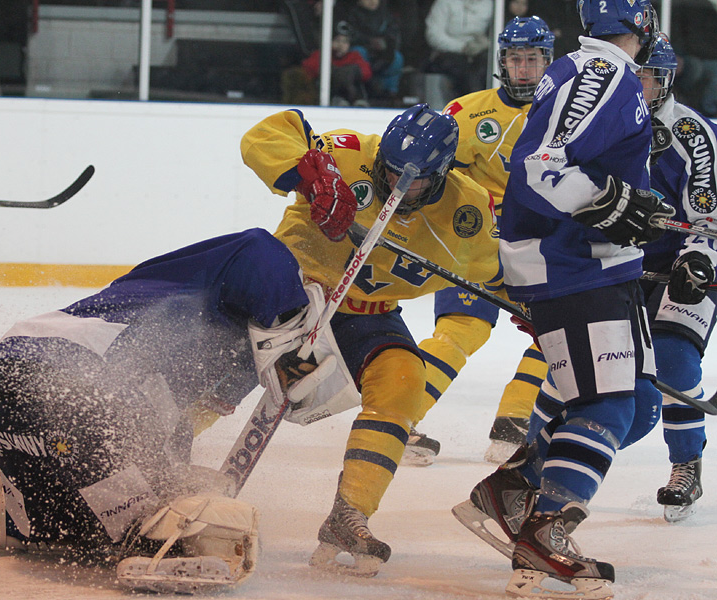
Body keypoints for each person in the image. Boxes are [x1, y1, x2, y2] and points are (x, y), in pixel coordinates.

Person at [0, 228, 353, 592]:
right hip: (72, 374)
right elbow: (259, 248)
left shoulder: (190, 319)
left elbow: (167, 418)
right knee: (154, 525)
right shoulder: (263, 275)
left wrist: (175, 475)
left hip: (19, 372)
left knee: (63, 531)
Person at [451, 1, 673, 598]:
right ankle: (545, 532)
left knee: (641, 405)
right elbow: (541, 166)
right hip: (571, 265)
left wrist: (628, 205)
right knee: (607, 409)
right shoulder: (604, 73)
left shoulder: (599, 72)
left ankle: (512, 489)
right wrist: (609, 203)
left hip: (600, 264)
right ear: (644, 25)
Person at [241, 103, 501, 576]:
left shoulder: (468, 209)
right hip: (291, 292)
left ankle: (349, 513)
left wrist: (541, 308)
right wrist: (313, 177)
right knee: (225, 363)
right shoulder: (349, 152)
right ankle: (156, 465)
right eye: (391, 170)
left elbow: (496, 271)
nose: (399, 184)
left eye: (416, 179)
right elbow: (267, 134)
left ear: (442, 174)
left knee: (404, 377)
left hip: (367, 315)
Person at [405, 16, 555, 466]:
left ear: (547, 61)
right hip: (477, 243)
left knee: (556, 336)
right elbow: (433, 181)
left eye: (532, 59)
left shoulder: (568, 114)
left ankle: (513, 424)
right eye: (515, 59)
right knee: (458, 332)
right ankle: (396, 420)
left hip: (540, 247)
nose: (524, 69)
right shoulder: (466, 112)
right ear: (501, 62)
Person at [638, 34, 712, 522]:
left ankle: (686, 462)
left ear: (666, 80)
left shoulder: (691, 133)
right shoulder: (600, 125)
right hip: (620, 263)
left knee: (674, 358)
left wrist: (697, 260)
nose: (639, 85)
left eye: (647, 76)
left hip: (685, 262)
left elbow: (707, 219)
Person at [424, 0, 494, 98]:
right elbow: (433, 34)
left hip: (480, 51)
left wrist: (487, 44)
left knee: (489, 66)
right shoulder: (444, 3)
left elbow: (498, 33)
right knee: (461, 70)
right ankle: (468, 106)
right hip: (448, 52)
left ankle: (483, 105)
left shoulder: (491, 4)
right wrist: (462, 47)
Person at [337, 0, 405, 101]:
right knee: (358, 53)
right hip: (364, 50)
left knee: (397, 58)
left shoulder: (386, 15)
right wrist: (369, 42)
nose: (372, 1)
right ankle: (360, 93)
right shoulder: (351, 15)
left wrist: (385, 44)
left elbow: (394, 36)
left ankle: (390, 93)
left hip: (382, 54)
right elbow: (349, 35)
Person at [301, 21, 373, 107]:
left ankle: (358, 102)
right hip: (332, 95)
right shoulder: (322, 55)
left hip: (352, 95)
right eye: (337, 40)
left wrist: (351, 71)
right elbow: (308, 67)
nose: (341, 45)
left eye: (345, 42)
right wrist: (333, 71)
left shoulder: (354, 56)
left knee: (350, 73)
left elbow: (366, 72)